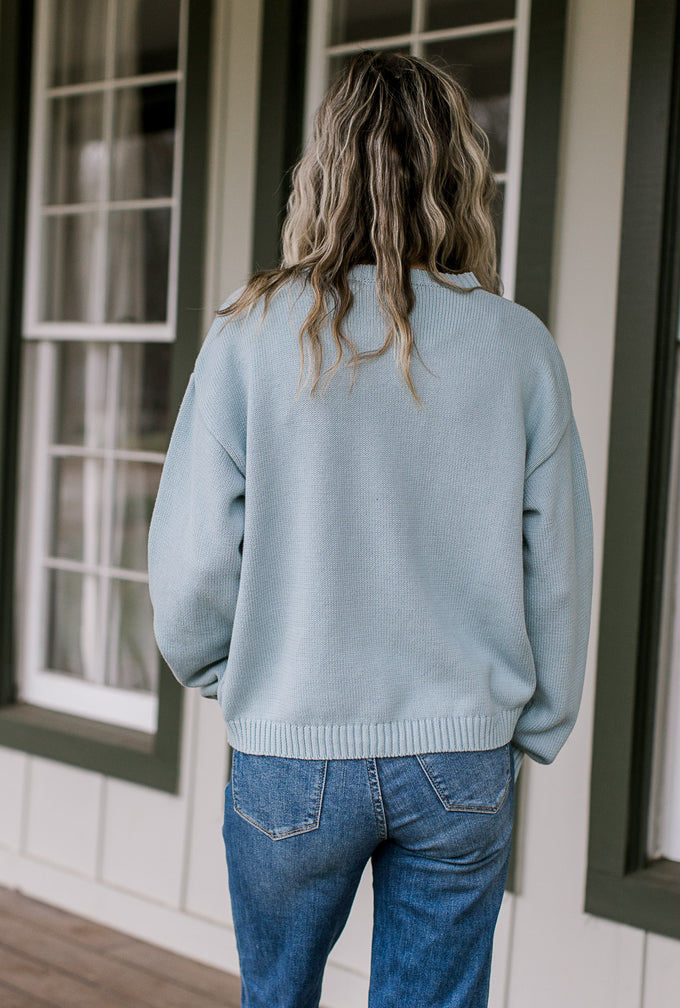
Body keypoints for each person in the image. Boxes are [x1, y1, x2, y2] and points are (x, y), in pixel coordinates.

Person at [148, 50, 593, 1008]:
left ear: (324, 170)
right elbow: (555, 566)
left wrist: (242, 677)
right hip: (461, 756)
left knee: (277, 999)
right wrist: (536, 723)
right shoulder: (519, 347)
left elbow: (189, 570)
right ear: (460, 173)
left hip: (290, 747)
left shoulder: (249, 333)